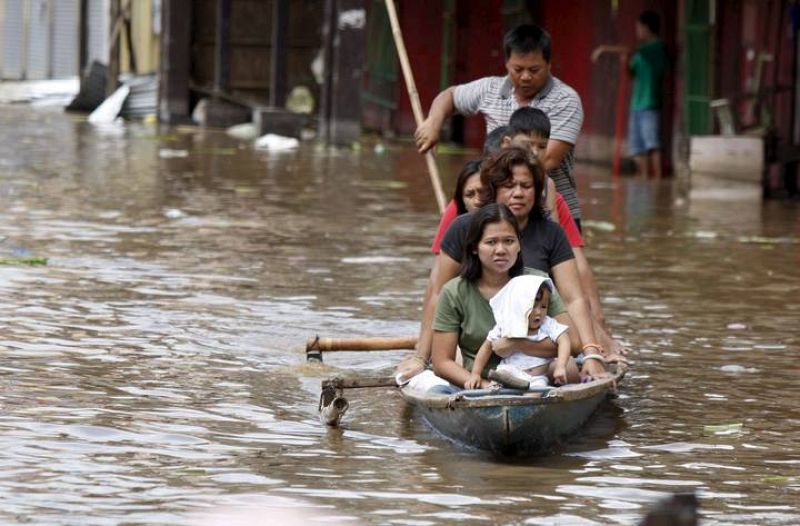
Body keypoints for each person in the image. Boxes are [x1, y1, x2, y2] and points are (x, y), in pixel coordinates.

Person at [398, 147, 609, 382]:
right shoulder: (461, 238)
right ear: (475, 247)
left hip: (536, 333)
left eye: (526, 186)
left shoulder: (539, 272)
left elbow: (573, 299)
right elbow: (438, 294)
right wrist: (421, 357)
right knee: (454, 359)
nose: (518, 193)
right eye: (509, 186)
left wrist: (591, 353)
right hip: (471, 339)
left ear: (519, 245)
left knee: (568, 368)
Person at [414, 24, 585, 227]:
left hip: (551, 210)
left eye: (534, 70)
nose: (525, 77)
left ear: (549, 64)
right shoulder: (490, 89)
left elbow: (545, 159)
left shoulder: (566, 100)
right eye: (518, 69)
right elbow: (449, 96)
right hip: (497, 211)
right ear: (506, 64)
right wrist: (433, 123)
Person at [500, 108, 626, 358]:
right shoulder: (478, 194)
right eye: (509, 186)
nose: (534, 154)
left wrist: (596, 332)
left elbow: (570, 268)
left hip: (539, 288)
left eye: (526, 186)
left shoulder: (549, 195)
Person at [426, 203, 569, 391]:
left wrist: (514, 344)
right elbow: (442, 362)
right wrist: (485, 387)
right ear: (475, 248)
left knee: (572, 369)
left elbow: (572, 343)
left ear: (519, 245)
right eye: (491, 242)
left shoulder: (538, 283)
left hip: (536, 379)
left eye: (509, 241)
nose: (501, 250)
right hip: (477, 384)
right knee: (437, 391)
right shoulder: (454, 292)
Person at [466, 275, 580, 390]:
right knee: (497, 385)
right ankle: (494, 394)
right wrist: (475, 374)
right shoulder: (507, 324)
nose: (538, 312)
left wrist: (560, 366)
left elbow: (564, 340)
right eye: (532, 307)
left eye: (543, 306)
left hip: (536, 377)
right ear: (519, 305)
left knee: (536, 395)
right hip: (509, 373)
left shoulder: (547, 324)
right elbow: (487, 347)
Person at [592, 10, 668, 178]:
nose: (637, 31)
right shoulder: (639, 54)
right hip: (636, 103)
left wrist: (604, 49)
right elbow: (631, 73)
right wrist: (625, 63)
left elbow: (631, 49)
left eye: (639, 28)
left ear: (647, 28)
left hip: (650, 103)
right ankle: (644, 176)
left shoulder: (655, 47)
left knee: (652, 143)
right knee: (638, 146)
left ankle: (658, 179)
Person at [431, 160, 484, 254]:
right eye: (470, 195)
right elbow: (440, 259)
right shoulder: (456, 219)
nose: (477, 201)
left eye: (483, 192)